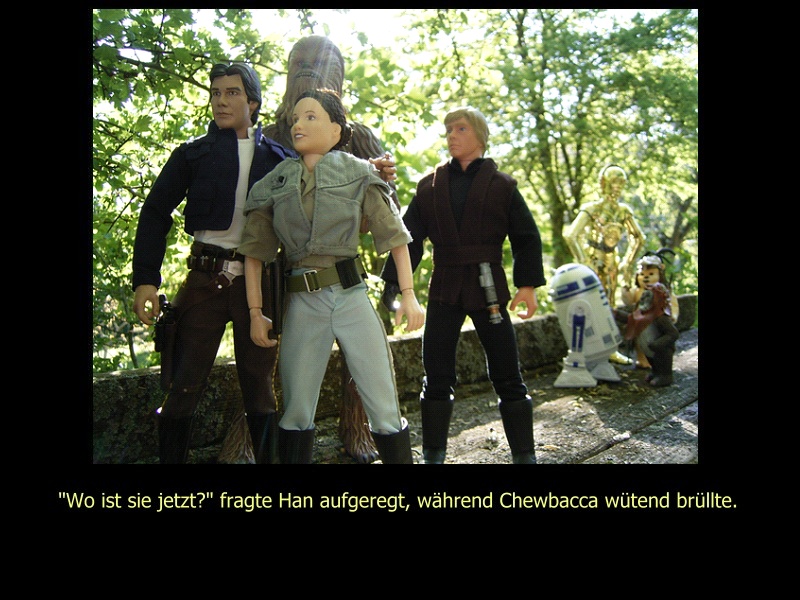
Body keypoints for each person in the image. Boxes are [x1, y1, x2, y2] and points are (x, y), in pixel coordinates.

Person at [240, 88, 424, 464]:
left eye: (311, 117)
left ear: (336, 130)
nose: (299, 125)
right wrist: (255, 312)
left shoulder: (359, 173)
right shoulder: (275, 182)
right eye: (296, 118)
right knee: (296, 406)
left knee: (382, 398)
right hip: (301, 302)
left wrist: (409, 293)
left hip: (350, 296)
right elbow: (254, 254)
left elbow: (395, 236)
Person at [132, 62, 294, 464]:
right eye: (216, 92)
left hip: (260, 286)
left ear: (252, 103)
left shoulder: (282, 159)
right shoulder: (193, 154)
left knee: (260, 387)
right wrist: (146, 279)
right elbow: (155, 212)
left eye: (232, 92)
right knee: (183, 384)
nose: (221, 101)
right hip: (205, 280)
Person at [380, 107, 546, 464]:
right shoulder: (430, 186)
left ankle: (524, 454)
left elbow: (526, 237)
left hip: (489, 287)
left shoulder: (502, 186)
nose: (452, 135)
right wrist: (393, 283)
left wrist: (527, 285)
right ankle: (434, 453)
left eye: (461, 129)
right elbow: (408, 238)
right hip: (445, 285)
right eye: (448, 129)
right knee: (436, 372)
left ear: (480, 136)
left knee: (507, 372)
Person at [264, 35, 399, 464]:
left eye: (320, 64)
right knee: (271, 362)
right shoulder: (269, 135)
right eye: (299, 62)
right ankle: (254, 439)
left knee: (365, 364)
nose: (308, 69)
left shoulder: (359, 137)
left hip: (344, 271)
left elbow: (390, 215)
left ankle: (358, 428)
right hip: (282, 270)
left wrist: (373, 185)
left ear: (339, 79)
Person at [564, 165, 645, 308]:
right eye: (614, 181)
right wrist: (584, 260)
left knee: (611, 301)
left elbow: (640, 238)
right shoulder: (592, 209)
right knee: (591, 301)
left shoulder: (624, 211)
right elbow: (571, 235)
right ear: (604, 182)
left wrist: (628, 262)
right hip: (593, 258)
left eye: (621, 183)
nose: (618, 187)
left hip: (612, 260)